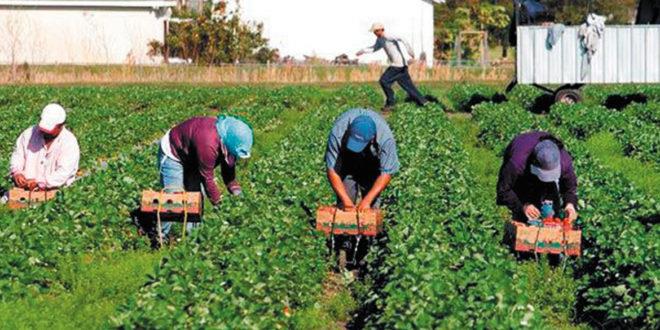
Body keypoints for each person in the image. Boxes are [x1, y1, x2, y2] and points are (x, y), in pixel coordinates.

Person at [157, 114, 253, 236]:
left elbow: (229, 175)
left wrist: (238, 195)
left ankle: (192, 236)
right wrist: (219, 205)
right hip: (174, 151)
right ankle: (161, 237)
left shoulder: (228, 141)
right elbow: (207, 178)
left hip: (193, 156)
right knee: (173, 197)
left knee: (195, 198)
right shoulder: (209, 143)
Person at [326, 108, 399, 211]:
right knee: (346, 203)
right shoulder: (338, 132)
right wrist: (346, 201)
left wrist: (367, 200)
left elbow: (386, 173)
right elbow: (332, 170)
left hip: (372, 162)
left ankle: (370, 225)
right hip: (347, 160)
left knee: (371, 206)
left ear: (372, 138)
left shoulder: (386, 139)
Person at [496, 131, 578, 223]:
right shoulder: (517, 162)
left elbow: (570, 188)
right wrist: (523, 206)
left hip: (537, 163)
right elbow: (503, 190)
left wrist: (570, 205)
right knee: (523, 214)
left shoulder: (565, 162)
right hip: (523, 175)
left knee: (551, 210)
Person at [356, 22, 428, 113]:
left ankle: (391, 103)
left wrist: (410, 51)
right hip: (402, 66)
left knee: (384, 81)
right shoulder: (380, 39)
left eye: (376, 32)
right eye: (374, 32)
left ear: (381, 30)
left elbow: (402, 38)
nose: (375, 34)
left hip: (397, 65)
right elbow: (374, 48)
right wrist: (363, 51)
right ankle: (424, 102)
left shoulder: (388, 36)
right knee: (408, 86)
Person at [10, 103, 80, 191]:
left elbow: (63, 173)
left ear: (60, 126)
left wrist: (40, 182)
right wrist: (17, 172)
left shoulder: (69, 142)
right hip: (24, 189)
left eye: (49, 130)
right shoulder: (28, 134)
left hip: (56, 192)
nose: (45, 132)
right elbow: (18, 156)